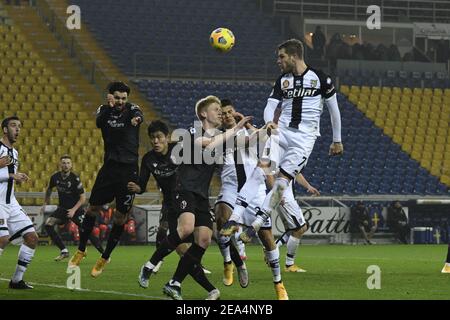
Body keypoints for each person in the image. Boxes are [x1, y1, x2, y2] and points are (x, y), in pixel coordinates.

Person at [222, 39, 343, 245]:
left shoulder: (321, 79)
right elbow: (270, 106)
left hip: (304, 140)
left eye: (281, 56)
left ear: (294, 56)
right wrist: (269, 121)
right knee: (260, 170)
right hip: (282, 133)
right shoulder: (282, 81)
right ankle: (234, 219)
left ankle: (257, 224)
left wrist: (337, 140)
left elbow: (334, 111)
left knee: (281, 183)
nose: (278, 61)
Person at [68, 81, 143, 278]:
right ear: (110, 97)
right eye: (117, 98)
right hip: (109, 168)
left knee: (121, 216)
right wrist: (109, 109)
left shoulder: (132, 109)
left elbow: (138, 116)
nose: (120, 101)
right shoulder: (103, 110)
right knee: (92, 208)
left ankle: (105, 257)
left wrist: (136, 119)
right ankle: (81, 250)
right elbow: (99, 122)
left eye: (123, 98)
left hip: (128, 171)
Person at [132, 120, 211, 287]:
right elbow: (142, 186)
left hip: (187, 197)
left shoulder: (180, 149)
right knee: (181, 246)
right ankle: (176, 277)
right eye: (152, 138)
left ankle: (177, 272)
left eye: (159, 137)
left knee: (201, 239)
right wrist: (136, 187)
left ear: (167, 138)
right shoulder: (148, 159)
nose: (155, 141)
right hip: (170, 203)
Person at [0, 116, 39, 289]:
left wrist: (17, 176)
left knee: (31, 238)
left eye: (20, 126)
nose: (18, 129)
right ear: (5, 129)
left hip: (11, 202)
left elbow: (8, 177)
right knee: (2, 239)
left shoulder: (14, 153)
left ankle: (16, 281)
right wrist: (10, 175)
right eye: (14, 126)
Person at [42, 155, 104, 261]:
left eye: (68, 163)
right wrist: (45, 203)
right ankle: (64, 251)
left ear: (71, 165)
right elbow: (49, 189)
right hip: (62, 209)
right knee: (48, 224)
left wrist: (73, 210)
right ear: (60, 164)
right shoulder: (55, 177)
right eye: (64, 163)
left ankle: (104, 255)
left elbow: (83, 198)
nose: (66, 165)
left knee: (87, 230)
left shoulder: (75, 178)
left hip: (77, 209)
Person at [275, 173, 319, 272]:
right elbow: (272, 174)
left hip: (289, 199)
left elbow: (296, 173)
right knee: (299, 228)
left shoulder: (292, 161)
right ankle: (287, 263)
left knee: (300, 227)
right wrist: (278, 193)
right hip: (285, 199)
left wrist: (308, 186)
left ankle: (273, 247)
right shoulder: (279, 159)